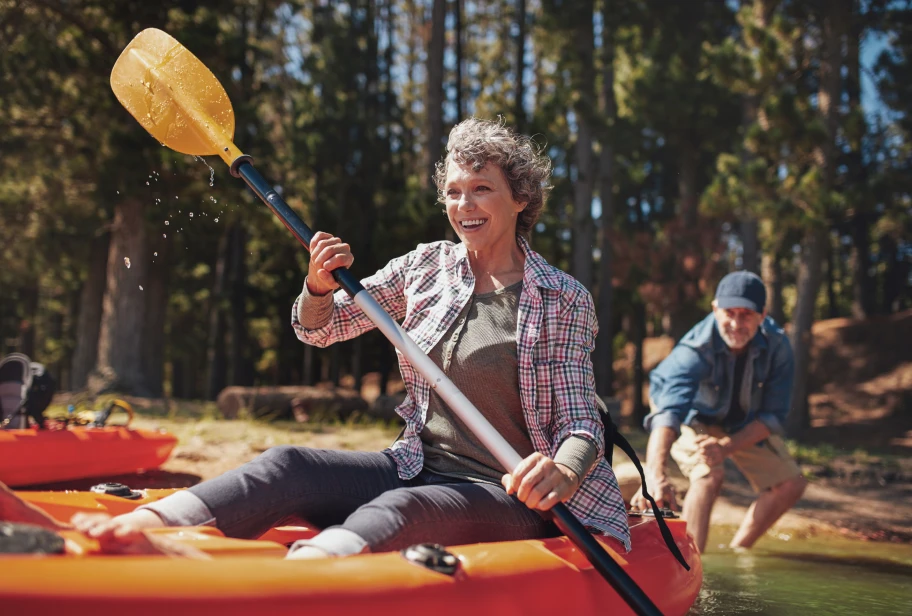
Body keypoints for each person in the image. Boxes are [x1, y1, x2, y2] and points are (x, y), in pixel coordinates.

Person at [0, 117, 629, 557]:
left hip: (506, 491)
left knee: (399, 515)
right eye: (453, 192)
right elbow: (319, 331)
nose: (464, 205)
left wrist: (566, 473)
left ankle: (302, 579)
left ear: (520, 197)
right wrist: (320, 286)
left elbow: (581, 423)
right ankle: (134, 530)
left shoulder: (561, 297)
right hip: (414, 463)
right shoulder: (425, 268)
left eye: (482, 189)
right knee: (288, 463)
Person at [630, 271, 807, 553]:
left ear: (762, 315)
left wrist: (725, 447)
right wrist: (655, 475)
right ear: (715, 310)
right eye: (729, 313)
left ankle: (738, 552)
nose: (736, 323)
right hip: (691, 415)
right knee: (708, 474)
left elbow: (772, 416)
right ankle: (689, 561)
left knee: (791, 483)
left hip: (740, 422)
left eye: (746, 315)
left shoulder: (778, 345)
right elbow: (668, 413)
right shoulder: (696, 347)